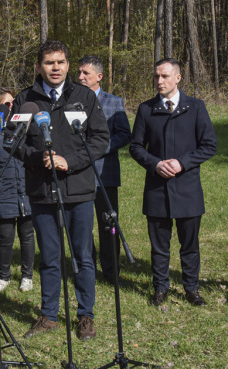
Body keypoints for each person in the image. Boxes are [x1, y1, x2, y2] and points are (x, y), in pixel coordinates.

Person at [12, 40, 109, 340]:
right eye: (49, 62)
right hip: (42, 191)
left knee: (82, 256)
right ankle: (49, 316)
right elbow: (12, 141)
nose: (55, 68)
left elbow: (100, 139)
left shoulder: (84, 97)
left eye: (61, 62)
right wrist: (37, 157)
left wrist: (71, 161)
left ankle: (85, 315)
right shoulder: (25, 100)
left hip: (78, 189)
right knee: (50, 257)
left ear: (68, 65)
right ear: (38, 66)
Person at [129, 58, 217, 307]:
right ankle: (160, 288)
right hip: (157, 188)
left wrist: (182, 163)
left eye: (165, 76)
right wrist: (155, 164)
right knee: (159, 245)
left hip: (188, 188)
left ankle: (191, 288)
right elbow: (136, 147)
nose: (159, 81)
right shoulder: (146, 109)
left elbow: (209, 145)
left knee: (190, 245)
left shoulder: (195, 107)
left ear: (178, 78)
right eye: (156, 76)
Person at [77, 56, 131, 283]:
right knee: (82, 225)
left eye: (85, 73)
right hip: (78, 174)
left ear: (99, 76)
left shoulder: (113, 102)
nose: (80, 77)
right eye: (79, 72)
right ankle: (86, 269)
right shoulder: (71, 100)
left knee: (108, 223)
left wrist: (100, 149)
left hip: (105, 173)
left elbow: (124, 134)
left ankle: (111, 271)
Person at [0, 87, 35, 292]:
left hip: (24, 191)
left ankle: (27, 276)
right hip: (1, 193)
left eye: (13, 103)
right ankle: (3, 276)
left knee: (27, 234)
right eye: (7, 104)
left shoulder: (22, 129)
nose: (11, 107)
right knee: (5, 236)